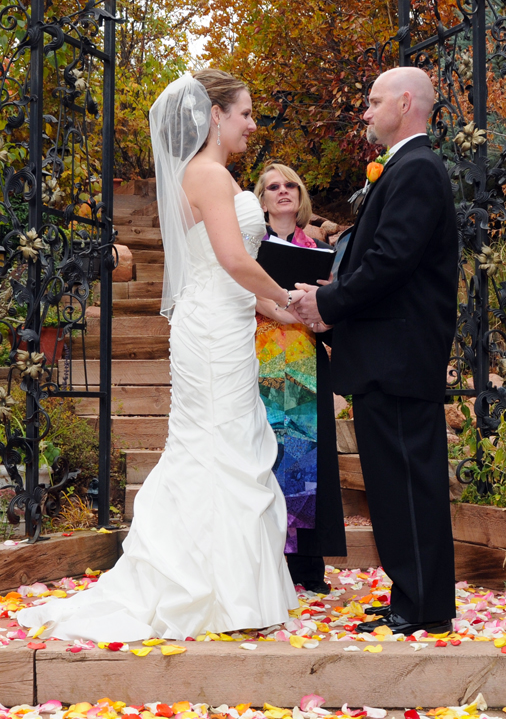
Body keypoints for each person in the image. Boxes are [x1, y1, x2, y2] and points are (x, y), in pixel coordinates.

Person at [18, 69, 302, 641]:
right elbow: (232, 260)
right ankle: (227, 597)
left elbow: (221, 272)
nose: (252, 124)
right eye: (245, 112)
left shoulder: (197, 175)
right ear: (215, 115)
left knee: (217, 445)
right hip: (213, 332)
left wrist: (275, 312)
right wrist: (289, 294)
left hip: (218, 321)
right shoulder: (210, 176)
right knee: (222, 448)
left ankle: (225, 591)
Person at [295, 66, 458, 636]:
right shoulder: (408, 167)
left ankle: (423, 607)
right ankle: (411, 595)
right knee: (395, 482)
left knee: (408, 481)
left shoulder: (416, 168)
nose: (365, 111)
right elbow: (380, 260)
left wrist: (329, 304)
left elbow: (390, 261)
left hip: (398, 355)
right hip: (390, 354)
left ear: (405, 103)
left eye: (373, 101)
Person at [254, 162, 346, 594]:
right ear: (263, 199)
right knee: (270, 453)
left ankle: (308, 565)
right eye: (274, 186)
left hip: (308, 358)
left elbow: (332, 298)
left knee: (308, 456)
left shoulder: (317, 246)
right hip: (263, 356)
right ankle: (270, 561)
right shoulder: (251, 245)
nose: (283, 191)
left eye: (291, 183)